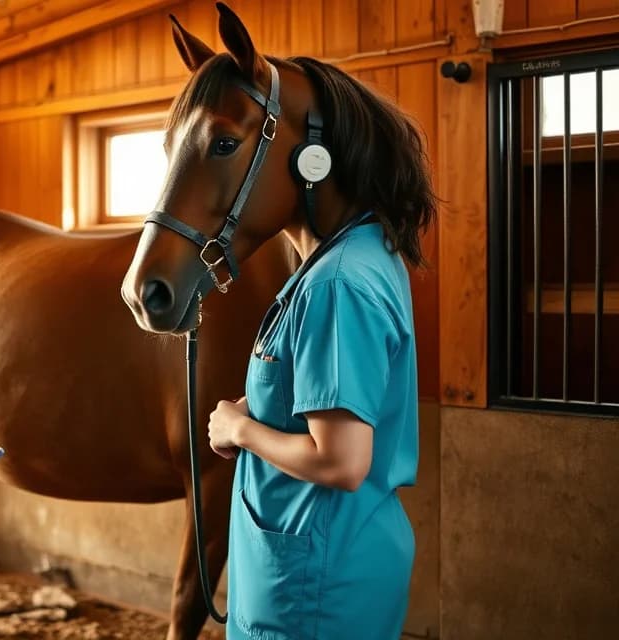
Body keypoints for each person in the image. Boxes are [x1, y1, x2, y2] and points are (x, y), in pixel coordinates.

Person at [205, 67, 434, 639]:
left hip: (313, 589)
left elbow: (341, 461)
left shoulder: (337, 283)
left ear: (311, 161)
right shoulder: (356, 255)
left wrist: (240, 430)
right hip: (318, 569)